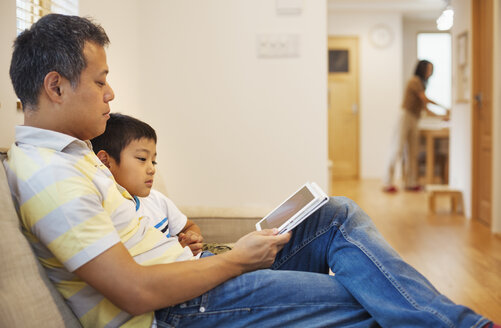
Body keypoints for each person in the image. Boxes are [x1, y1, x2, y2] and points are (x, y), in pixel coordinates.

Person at [3, 13, 496, 328]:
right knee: (364, 294)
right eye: (100, 80)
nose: (110, 93)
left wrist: (212, 250)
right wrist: (237, 259)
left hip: (192, 281)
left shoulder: (74, 152)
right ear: (55, 86)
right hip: (176, 312)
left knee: (336, 215)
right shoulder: (50, 176)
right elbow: (134, 292)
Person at [90, 113, 204, 256]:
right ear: (105, 161)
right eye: (142, 158)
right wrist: (177, 251)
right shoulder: (113, 215)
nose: (152, 169)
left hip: (199, 261)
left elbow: (189, 226)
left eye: (153, 161)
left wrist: (191, 238)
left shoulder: (156, 199)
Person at [383, 60, 448, 193]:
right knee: (397, 149)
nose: (430, 73)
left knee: (413, 152)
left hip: (414, 118)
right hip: (406, 116)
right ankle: (387, 182)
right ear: (422, 69)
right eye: (428, 69)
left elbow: (426, 109)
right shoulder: (414, 81)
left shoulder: (423, 84)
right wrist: (443, 107)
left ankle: (411, 183)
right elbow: (424, 99)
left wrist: (442, 116)